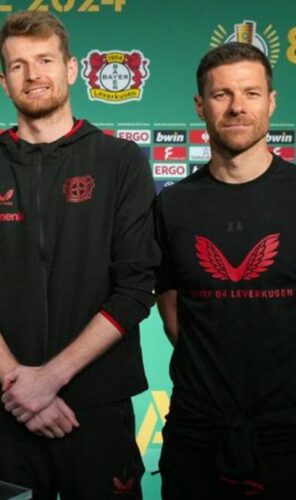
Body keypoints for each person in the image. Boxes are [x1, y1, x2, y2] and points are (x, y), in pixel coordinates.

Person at [0, 11, 158, 499]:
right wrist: (21, 387)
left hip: (97, 411)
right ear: (3, 81)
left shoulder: (120, 162)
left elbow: (135, 288)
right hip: (5, 413)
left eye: (44, 60)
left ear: (71, 68)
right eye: (18, 65)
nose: (33, 75)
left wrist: (49, 380)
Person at [155, 42, 296, 499]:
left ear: (272, 102)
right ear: (200, 105)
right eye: (222, 95)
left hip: (288, 437)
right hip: (197, 437)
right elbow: (173, 312)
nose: (238, 107)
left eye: (252, 93)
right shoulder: (172, 205)